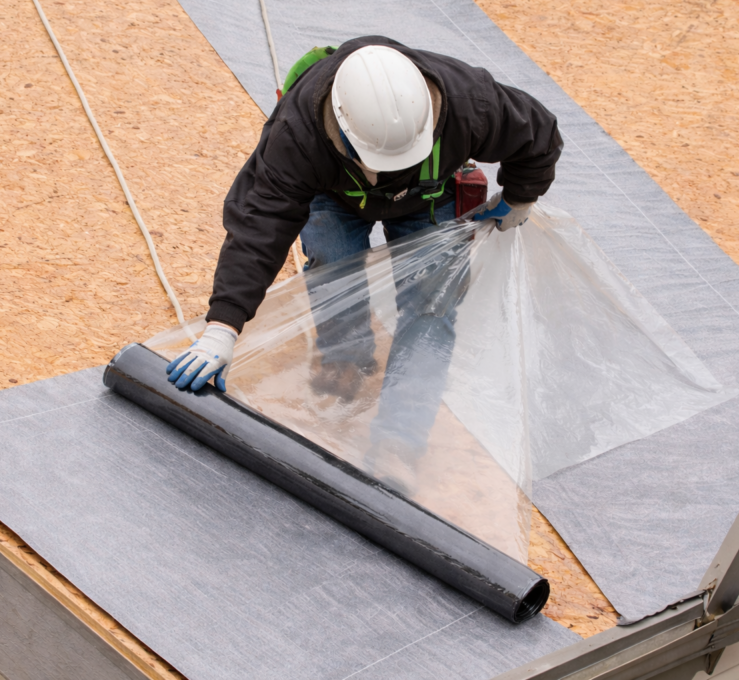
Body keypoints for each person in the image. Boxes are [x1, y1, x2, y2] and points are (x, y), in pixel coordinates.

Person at [166, 36, 562, 487]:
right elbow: (261, 224)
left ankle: (399, 440)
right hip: (333, 195)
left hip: (426, 195)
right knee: (335, 267)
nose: (383, 169)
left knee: (432, 306)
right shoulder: (298, 134)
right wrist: (223, 327)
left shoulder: (470, 103)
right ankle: (346, 360)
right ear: (342, 130)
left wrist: (519, 199)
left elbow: (540, 135)